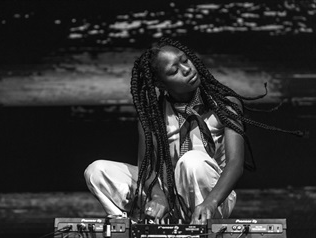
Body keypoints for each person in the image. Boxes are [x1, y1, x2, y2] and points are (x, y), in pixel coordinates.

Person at [84, 38, 303, 225]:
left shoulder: (225, 104)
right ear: (160, 83)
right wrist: (158, 195)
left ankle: (199, 226)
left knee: (192, 161)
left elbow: (236, 164)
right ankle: (133, 226)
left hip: (212, 196)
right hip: (165, 196)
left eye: (185, 60)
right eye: (174, 71)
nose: (187, 69)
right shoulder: (151, 113)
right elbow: (146, 167)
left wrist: (210, 202)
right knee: (97, 171)